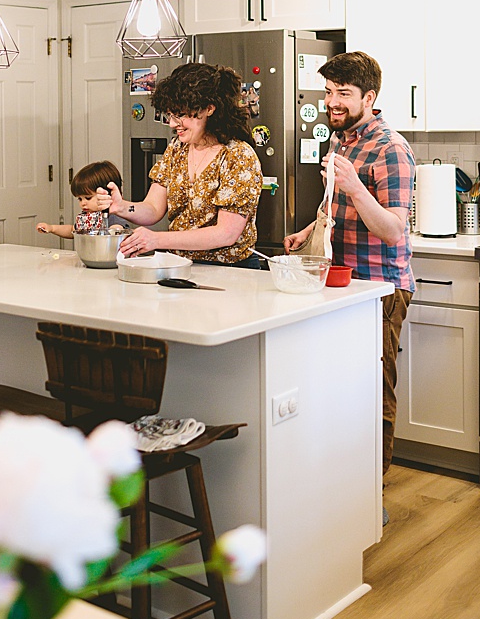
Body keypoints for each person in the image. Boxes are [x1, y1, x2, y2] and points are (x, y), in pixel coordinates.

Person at [284, 51, 414, 502]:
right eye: (328, 92)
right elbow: (334, 206)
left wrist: (356, 185)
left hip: (380, 286)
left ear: (369, 97)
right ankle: (342, 489)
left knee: (373, 392)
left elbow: (394, 229)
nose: (332, 102)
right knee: (340, 388)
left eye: (343, 94)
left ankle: (368, 494)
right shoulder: (343, 140)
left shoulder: (389, 147)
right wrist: (308, 229)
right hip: (341, 281)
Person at [108, 63, 264, 264]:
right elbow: (154, 208)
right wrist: (122, 207)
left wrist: (156, 239)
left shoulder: (238, 156)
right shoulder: (177, 149)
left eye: (180, 115)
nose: (172, 124)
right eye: (170, 115)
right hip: (181, 265)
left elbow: (225, 234)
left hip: (231, 270)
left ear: (209, 108)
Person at [37, 160, 128, 239]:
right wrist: (52, 228)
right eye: (80, 199)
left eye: (88, 198)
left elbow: (118, 230)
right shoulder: (87, 216)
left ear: (108, 195)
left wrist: (114, 230)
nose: (83, 203)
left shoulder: (113, 215)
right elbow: (72, 230)